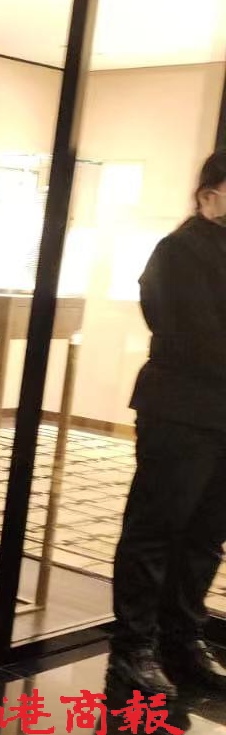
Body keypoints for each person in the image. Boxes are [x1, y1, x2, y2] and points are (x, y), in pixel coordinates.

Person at [107, 150, 226, 698]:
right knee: (155, 530)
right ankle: (133, 648)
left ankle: (184, 638)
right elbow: (195, 336)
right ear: (209, 195)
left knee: (207, 534)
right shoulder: (178, 251)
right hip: (180, 412)